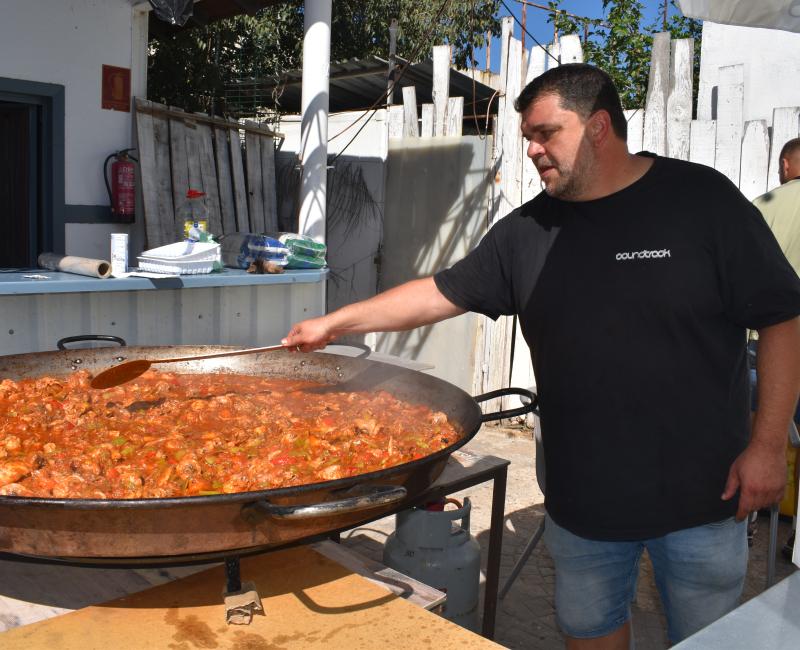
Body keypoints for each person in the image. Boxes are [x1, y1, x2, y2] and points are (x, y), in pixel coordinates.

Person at [283, 64, 800, 648]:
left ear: (599, 126)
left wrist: (766, 446)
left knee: (709, 641)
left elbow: (783, 317)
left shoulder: (702, 201)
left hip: (705, 498)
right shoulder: (527, 231)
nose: (530, 150)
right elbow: (439, 293)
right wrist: (334, 322)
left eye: (545, 133)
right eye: (528, 136)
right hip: (583, 502)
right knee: (590, 632)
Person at [753, 137, 800, 561]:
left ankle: (744, 521)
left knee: (750, 430)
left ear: (785, 163)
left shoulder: (762, 206)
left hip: (761, 347)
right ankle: (795, 541)